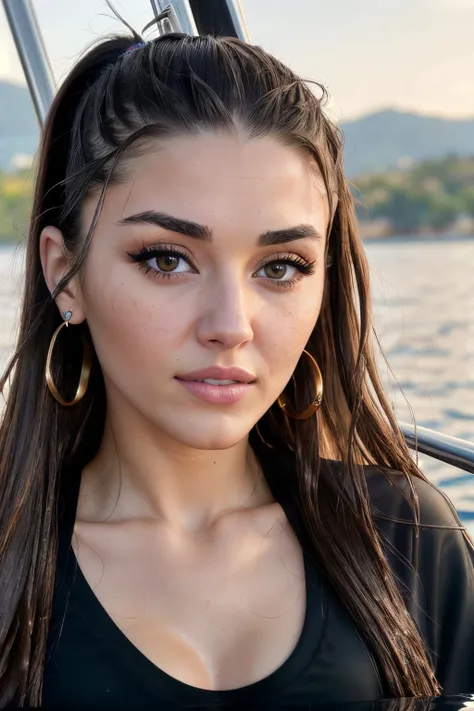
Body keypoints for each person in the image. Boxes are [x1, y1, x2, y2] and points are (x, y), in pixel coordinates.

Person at [0, 26, 473, 710]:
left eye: (280, 267)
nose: (231, 324)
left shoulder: (406, 537)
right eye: (166, 258)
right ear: (64, 272)